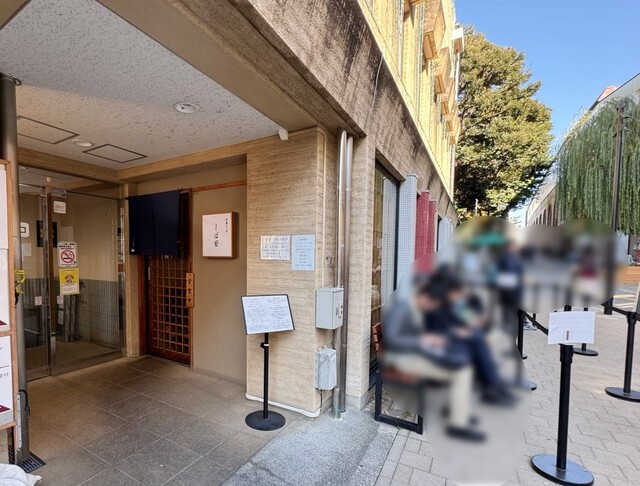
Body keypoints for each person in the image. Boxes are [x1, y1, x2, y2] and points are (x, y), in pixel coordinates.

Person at [383, 277, 485, 442]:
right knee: (461, 372)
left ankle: (456, 411)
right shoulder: (401, 308)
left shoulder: (414, 306)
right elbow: (392, 339)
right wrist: (422, 341)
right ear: (423, 296)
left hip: (415, 354)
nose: (431, 308)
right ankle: (458, 424)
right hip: (401, 360)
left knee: (461, 362)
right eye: (431, 304)